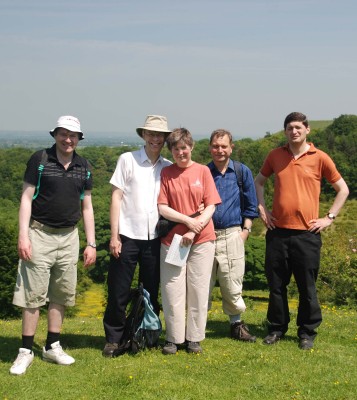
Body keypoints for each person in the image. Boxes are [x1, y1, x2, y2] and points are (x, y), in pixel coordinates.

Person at [254, 112, 349, 350]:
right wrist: (262, 208)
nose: (293, 131)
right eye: (289, 128)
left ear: (307, 130)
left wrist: (329, 218)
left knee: (307, 286)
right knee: (276, 285)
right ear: (285, 131)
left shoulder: (320, 157)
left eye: (297, 127)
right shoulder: (275, 155)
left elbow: (343, 189)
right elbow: (259, 181)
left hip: (307, 234)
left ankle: (307, 332)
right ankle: (276, 328)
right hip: (277, 232)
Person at [10, 115, 96, 375]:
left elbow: (87, 206)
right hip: (39, 234)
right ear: (55, 135)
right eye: (63, 133)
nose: (68, 139)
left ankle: (52, 346)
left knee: (60, 294)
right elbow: (26, 199)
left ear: (79, 138)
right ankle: (25, 351)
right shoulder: (40, 160)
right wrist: (23, 235)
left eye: (73, 135)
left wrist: (91, 243)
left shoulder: (84, 166)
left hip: (70, 237)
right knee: (33, 295)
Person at [102, 115, 172, 357]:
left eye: (160, 135)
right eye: (151, 134)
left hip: (156, 239)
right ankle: (114, 339)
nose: (155, 138)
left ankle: (146, 333)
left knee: (151, 291)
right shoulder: (127, 160)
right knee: (118, 290)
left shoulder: (168, 166)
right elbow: (116, 197)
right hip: (127, 236)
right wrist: (114, 236)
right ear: (143, 135)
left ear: (165, 138)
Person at [158, 127, 221, 355]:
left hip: (202, 240)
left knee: (198, 288)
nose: (180, 153)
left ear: (191, 147)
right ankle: (173, 339)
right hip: (172, 241)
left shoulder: (203, 171)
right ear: (171, 151)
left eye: (183, 148)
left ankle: (194, 338)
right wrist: (187, 221)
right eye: (175, 149)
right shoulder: (166, 173)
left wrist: (194, 230)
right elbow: (162, 207)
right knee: (172, 288)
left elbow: (211, 204)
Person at [207, 129, 258, 342]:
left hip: (232, 234)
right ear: (210, 147)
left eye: (224, 146)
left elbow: (251, 203)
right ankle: (195, 328)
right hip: (205, 236)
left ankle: (236, 325)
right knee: (202, 283)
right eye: (216, 146)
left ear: (231, 147)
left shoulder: (241, 171)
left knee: (232, 282)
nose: (220, 150)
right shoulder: (202, 172)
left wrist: (245, 231)